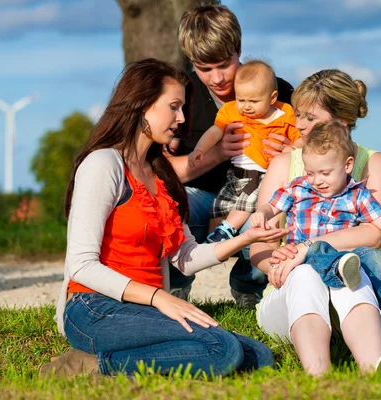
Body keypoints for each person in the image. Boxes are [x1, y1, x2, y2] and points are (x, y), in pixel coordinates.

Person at [40, 59, 290, 378]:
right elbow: (81, 265)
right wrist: (161, 298)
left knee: (258, 355)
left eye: (182, 108)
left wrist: (245, 239)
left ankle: (129, 358)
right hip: (94, 308)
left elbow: (184, 258)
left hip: (147, 310)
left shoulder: (160, 174)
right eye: (173, 107)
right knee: (224, 351)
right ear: (143, 104)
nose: (182, 118)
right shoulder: (103, 164)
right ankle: (91, 366)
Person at [250, 69, 381, 375]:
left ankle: (376, 366)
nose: (300, 125)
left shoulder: (374, 163)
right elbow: (258, 244)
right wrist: (280, 265)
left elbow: (372, 234)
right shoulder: (285, 164)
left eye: (311, 117)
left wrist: (306, 248)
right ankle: (318, 375)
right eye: (298, 115)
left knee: (352, 269)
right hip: (291, 295)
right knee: (306, 275)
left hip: (349, 294)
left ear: (343, 121)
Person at [167, 4, 296, 308]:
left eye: (224, 64)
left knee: (266, 217)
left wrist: (290, 155)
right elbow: (160, 171)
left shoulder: (280, 91)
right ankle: (175, 286)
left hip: (258, 195)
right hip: (200, 192)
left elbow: (315, 153)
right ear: (191, 62)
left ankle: (248, 286)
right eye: (204, 68)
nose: (217, 78)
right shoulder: (180, 94)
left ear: (238, 49)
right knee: (172, 202)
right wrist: (219, 152)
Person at [250, 121, 381, 299]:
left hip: (343, 257)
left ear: (347, 165)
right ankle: (338, 272)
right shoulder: (298, 188)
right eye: (310, 173)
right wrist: (263, 213)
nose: (317, 180)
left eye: (325, 173)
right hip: (302, 261)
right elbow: (272, 206)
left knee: (376, 259)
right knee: (317, 254)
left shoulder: (358, 195)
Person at [189, 60, 303, 243]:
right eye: (241, 99)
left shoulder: (284, 113)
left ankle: (227, 230)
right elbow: (214, 131)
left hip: (263, 176)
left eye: (253, 101)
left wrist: (293, 148)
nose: (246, 106)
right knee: (220, 207)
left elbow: (301, 138)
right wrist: (200, 149)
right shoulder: (232, 111)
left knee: (245, 203)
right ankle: (215, 243)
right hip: (235, 175)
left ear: (272, 98)